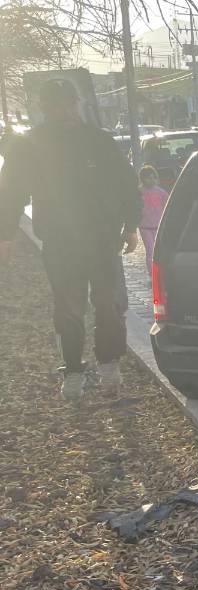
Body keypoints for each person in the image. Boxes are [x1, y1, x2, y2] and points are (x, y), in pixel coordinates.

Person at [0, 80, 141, 400]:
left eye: (69, 104)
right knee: (68, 309)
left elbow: (126, 183)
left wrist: (131, 225)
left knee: (109, 305)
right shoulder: (29, 146)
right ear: (45, 108)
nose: (65, 111)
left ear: (76, 104)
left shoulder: (99, 141)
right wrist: (5, 235)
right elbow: (11, 193)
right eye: (57, 105)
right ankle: (74, 371)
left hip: (103, 239)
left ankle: (109, 366)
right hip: (60, 243)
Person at [138, 165, 169, 272]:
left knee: (159, 251)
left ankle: (160, 271)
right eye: (149, 178)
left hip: (158, 226)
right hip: (144, 226)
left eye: (154, 177)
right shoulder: (138, 192)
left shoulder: (161, 193)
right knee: (150, 251)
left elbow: (168, 206)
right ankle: (152, 273)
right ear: (142, 179)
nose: (152, 180)